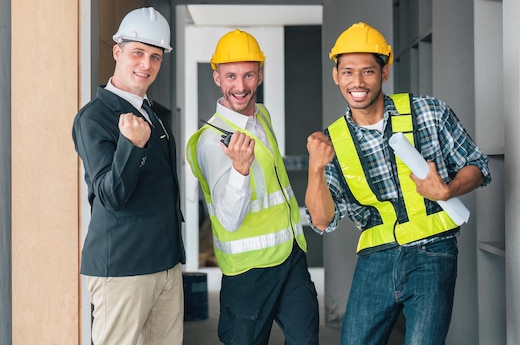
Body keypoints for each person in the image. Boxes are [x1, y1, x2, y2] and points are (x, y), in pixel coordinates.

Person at [305, 22, 491, 345]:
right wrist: (315, 169)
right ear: (336, 75)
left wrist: (447, 190)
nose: (357, 82)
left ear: (385, 72)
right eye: (348, 72)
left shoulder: (428, 112)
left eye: (368, 71)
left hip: (433, 252)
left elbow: (477, 165)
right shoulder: (332, 140)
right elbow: (322, 220)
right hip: (376, 259)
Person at [186, 29, 319, 345]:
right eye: (231, 75)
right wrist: (239, 171)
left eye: (248, 75)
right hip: (248, 273)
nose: (240, 86)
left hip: (290, 259)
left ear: (260, 75)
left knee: (305, 339)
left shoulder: (263, 116)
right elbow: (229, 219)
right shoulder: (211, 141)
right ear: (217, 77)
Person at [72, 7, 185, 345]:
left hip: (165, 262)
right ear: (117, 52)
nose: (146, 64)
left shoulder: (150, 113)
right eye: (138, 52)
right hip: (123, 266)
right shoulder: (93, 118)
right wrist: (131, 146)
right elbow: (110, 194)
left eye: (155, 56)